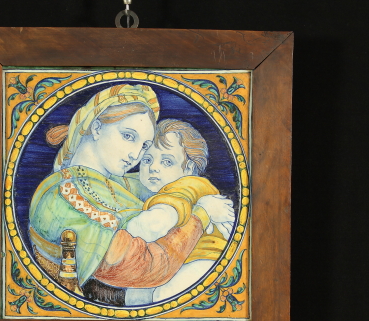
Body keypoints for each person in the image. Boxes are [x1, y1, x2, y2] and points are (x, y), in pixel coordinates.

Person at [28, 84, 230, 306]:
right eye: (128, 136)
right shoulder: (70, 194)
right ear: (96, 128)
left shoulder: (107, 182)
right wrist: (202, 215)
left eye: (144, 146)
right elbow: (145, 266)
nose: (135, 155)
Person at [124, 119, 235, 304]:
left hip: (203, 260)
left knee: (163, 296)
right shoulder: (159, 187)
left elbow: (153, 223)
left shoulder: (189, 184)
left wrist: (136, 229)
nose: (153, 167)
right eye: (147, 160)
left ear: (189, 168)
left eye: (167, 161)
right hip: (176, 262)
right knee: (135, 297)